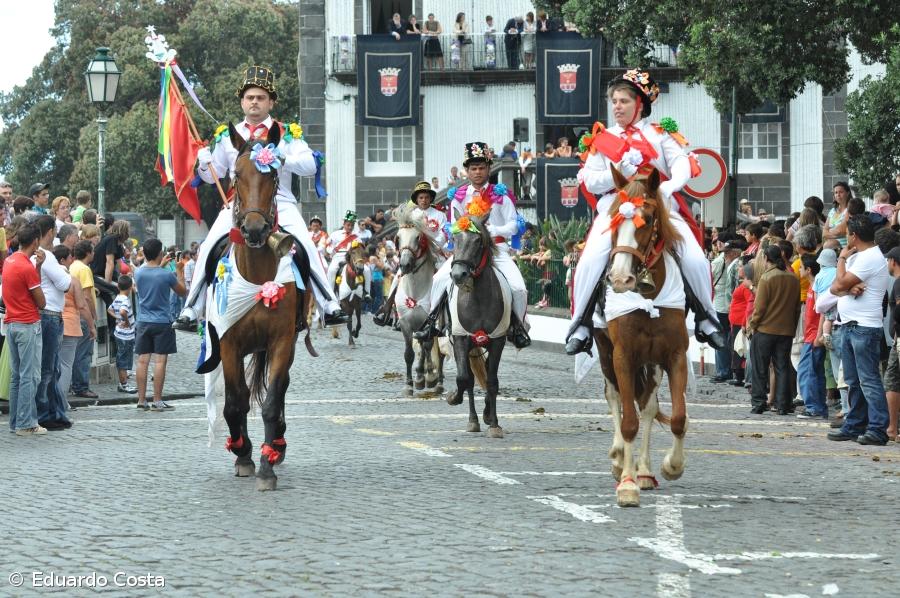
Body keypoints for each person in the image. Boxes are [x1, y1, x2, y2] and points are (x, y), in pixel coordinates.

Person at [565, 69, 726, 355]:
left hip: (657, 206)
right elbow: (589, 180)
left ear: (640, 104)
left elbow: (681, 164)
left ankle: (706, 317)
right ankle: (581, 323)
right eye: (614, 101)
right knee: (590, 260)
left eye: (624, 101)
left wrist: (668, 187)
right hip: (618, 208)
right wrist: (619, 171)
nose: (617, 107)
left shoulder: (659, 134)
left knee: (695, 258)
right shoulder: (603, 139)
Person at [178, 66, 346, 331]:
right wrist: (203, 164)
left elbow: (310, 165)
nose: (254, 102)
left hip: (280, 202)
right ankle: (192, 307)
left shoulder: (286, 133)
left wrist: (283, 158)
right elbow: (213, 176)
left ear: (271, 102)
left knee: (306, 244)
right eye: (249, 97)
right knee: (209, 245)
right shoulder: (227, 136)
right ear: (242, 102)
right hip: (238, 204)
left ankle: (328, 303)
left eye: (260, 97)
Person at [414, 142, 531, 349]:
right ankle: (433, 322)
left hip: (496, 250)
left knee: (519, 288)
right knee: (439, 279)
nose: (477, 172)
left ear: (489, 169)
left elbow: (514, 224)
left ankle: (518, 328)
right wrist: (461, 229)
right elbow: (452, 226)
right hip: (467, 250)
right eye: (473, 168)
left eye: (481, 168)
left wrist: (494, 230)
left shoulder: (501, 195)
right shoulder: (459, 197)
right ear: (467, 171)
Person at [827, 214, 891, 445]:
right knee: (853, 380)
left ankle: (878, 428)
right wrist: (846, 288)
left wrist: (841, 259)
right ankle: (855, 424)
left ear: (853, 236)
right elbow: (834, 288)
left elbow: (839, 283)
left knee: (868, 380)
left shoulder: (868, 257)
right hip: (850, 325)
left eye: (846, 234)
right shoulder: (859, 256)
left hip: (864, 327)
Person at [374, 181, 447, 327]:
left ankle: (445, 313)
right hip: (415, 254)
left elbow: (444, 235)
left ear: (431, 198)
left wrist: (432, 244)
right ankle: (388, 309)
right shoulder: (411, 215)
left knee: (445, 277)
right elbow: (403, 234)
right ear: (416, 199)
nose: (424, 200)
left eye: (426, 197)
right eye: (421, 197)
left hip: (435, 253)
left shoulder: (440, 215)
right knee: (398, 276)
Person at [3, 223, 47, 436]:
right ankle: (26, 423)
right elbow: (41, 302)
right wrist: (37, 267)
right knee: (29, 376)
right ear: (36, 241)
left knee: (17, 377)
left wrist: (37, 266)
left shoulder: (10, 261)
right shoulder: (26, 267)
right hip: (27, 324)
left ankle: (16, 422)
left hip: (12, 323)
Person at [134, 239, 187, 411]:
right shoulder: (166, 275)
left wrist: (160, 264)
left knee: (142, 361)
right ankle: (157, 400)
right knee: (160, 361)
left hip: (143, 320)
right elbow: (182, 292)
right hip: (162, 321)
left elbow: (150, 271)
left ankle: (141, 400)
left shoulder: (139, 273)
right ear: (160, 253)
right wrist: (179, 271)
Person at [747, 245, 800, 414]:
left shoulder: (766, 278)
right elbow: (796, 308)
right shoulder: (793, 278)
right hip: (786, 330)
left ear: (766, 258)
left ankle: (759, 402)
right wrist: (792, 326)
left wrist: (752, 325)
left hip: (765, 329)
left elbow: (760, 308)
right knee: (782, 367)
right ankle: (783, 404)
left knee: (760, 368)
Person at [32, 215, 72, 430]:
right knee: (48, 368)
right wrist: (65, 271)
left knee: (51, 368)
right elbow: (65, 284)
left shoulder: (40, 255)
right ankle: (45, 413)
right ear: (50, 232)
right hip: (49, 315)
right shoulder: (46, 256)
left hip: (49, 314)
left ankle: (55, 412)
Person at [796, 254, 827, 419]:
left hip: (813, 337)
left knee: (807, 372)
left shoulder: (816, 287)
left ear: (808, 270)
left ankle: (813, 407)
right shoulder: (812, 286)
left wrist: (818, 336)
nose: (799, 270)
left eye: (801, 267)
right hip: (810, 335)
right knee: (814, 372)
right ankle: (818, 406)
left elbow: (822, 313)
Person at [711, 239, 744, 382]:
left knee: (722, 338)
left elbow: (732, 289)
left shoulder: (734, 265)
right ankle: (726, 370)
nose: (725, 256)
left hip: (725, 306)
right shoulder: (731, 264)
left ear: (735, 253)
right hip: (726, 306)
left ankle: (724, 371)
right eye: (724, 253)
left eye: (728, 253)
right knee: (727, 338)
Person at [70, 240, 98, 399]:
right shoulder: (85, 269)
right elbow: (87, 297)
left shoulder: (73, 266)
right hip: (83, 315)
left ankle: (74, 385)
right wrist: (93, 316)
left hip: (74, 313)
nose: (94, 253)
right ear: (88, 253)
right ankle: (81, 387)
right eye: (93, 251)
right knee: (84, 353)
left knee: (74, 353)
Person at [109, 275, 138, 396]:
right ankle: (124, 384)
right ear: (130, 287)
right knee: (123, 360)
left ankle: (124, 382)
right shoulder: (125, 300)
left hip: (119, 333)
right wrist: (126, 321)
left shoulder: (117, 298)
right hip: (126, 335)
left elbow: (110, 309)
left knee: (122, 358)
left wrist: (117, 318)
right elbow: (122, 311)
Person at [883, 246, 900, 441]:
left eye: (888, 260)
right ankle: (892, 428)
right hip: (897, 338)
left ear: (893, 262)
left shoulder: (898, 283)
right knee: (893, 381)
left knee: (892, 381)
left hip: (899, 338)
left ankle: (892, 428)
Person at [823, 182, 851, 247]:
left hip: (844, 247)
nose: (838, 195)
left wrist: (829, 232)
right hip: (830, 247)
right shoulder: (832, 211)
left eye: (841, 192)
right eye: (836, 192)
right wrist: (836, 233)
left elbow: (841, 231)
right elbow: (824, 233)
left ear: (847, 193)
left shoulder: (850, 210)